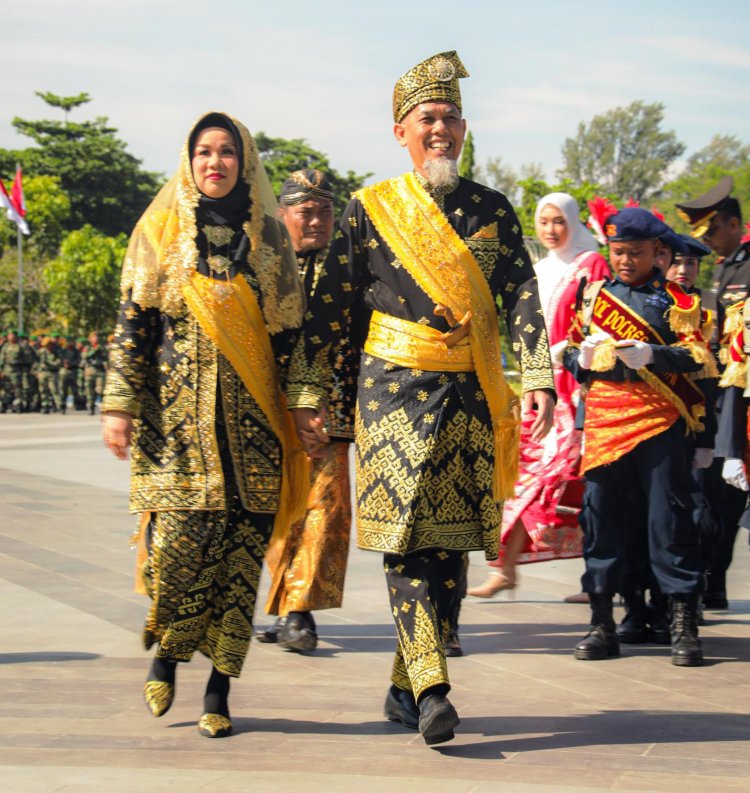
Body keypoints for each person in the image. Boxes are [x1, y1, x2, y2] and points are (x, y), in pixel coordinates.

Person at [286, 51, 555, 745]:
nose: (441, 129)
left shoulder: (493, 210)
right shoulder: (368, 209)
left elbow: (522, 293)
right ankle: (433, 686)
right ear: (400, 131)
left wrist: (537, 377)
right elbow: (331, 308)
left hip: (471, 392)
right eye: (427, 118)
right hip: (391, 393)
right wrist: (309, 393)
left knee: (451, 546)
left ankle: (403, 688)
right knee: (407, 538)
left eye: (451, 117)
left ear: (464, 129)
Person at [101, 111, 307, 739]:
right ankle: (166, 655)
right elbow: (134, 323)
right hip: (175, 428)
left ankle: (219, 691)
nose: (215, 162)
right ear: (189, 161)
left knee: (240, 563)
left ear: (245, 162)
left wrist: (306, 407)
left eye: (226, 152)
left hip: (252, 429)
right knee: (178, 554)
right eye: (203, 152)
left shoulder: (269, 240)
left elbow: (291, 338)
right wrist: (119, 404)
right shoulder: (160, 230)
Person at [564, 205, 715, 667]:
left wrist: (653, 354)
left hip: (658, 422)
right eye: (618, 252)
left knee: (669, 523)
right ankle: (601, 622)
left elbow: (700, 359)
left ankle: (682, 624)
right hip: (605, 422)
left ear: (656, 252)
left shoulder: (677, 301)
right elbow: (572, 352)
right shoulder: (593, 297)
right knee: (602, 522)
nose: (625, 261)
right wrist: (580, 359)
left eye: (635, 252)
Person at [468, 192, 609, 598]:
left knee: (573, 481)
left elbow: (599, 323)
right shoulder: (539, 269)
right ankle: (505, 568)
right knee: (522, 477)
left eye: (559, 221)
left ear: (573, 222)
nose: (550, 229)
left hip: (576, 388)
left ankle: (598, 578)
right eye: (544, 221)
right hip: (539, 388)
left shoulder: (591, 264)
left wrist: (574, 355)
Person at [258, 169, 356, 652]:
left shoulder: (352, 269)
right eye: (306, 212)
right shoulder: (263, 267)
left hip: (330, 412)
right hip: (271, 408)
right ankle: (284, 604)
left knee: (326, 510)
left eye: (325, 212)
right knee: (281, 510)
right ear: (283, 214)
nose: (316, 221)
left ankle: (300, 612)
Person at [676, 176, 750, 609]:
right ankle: (712, 580)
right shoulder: (720, 270)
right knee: (716, 497)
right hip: (717, 397)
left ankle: (714, 578)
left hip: (741, 398)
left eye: (712, 230)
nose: (707, 240)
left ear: (734, 224)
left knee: (728, 497)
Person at [83, 331, 107, 415]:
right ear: (90, 339)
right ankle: (91, 407)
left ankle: (103, 407)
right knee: (90, 391)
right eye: (94, 337)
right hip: (90, 371)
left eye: (97, 337)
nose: (96, 338)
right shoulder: (87, 347)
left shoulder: (102, 347)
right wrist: (94, 350)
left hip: (99, 371)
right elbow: (84, 356)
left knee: (100, 390)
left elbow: (106, 357)